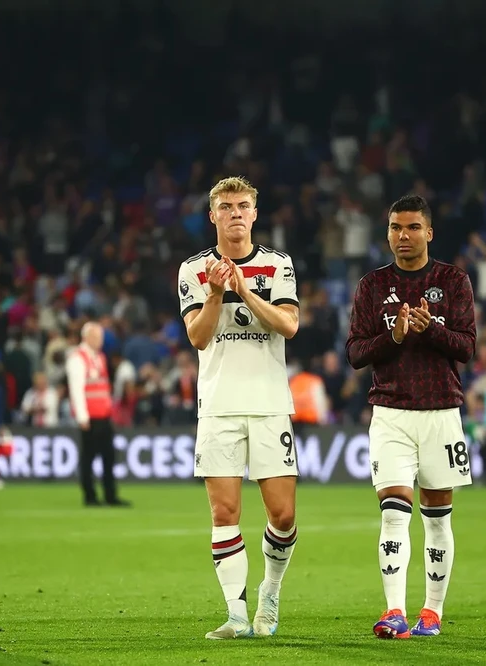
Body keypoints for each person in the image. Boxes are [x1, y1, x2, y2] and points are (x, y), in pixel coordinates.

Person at [345, 194, 477, 639]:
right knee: (394, 514)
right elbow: (356, 353)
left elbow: (467, 347)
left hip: (441, 410)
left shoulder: (453, 280)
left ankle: (431, 613)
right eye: (395, 228)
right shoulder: (371, 286)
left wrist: (431, 329)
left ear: (429, 232)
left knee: (438, 519)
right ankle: (395, 611)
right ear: (387, 233)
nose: (403, 236)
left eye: (412, 227)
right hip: (391, 413)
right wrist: (395, 334)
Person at [177, 176, 300, 640]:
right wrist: (214, 293)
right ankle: (235, 614)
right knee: (224, 512)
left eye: (242, 205)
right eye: (225, 206)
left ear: (254, 213)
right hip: (220, 405)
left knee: (283, 516)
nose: (234, 213)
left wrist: (244, 291)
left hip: (269, 404)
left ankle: (270, 591)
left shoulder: (276, 264)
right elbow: (198, 337)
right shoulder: (192, 269)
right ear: (212, 215)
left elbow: (288, 325)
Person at [65, 322, 128, 506]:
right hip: (90, 417)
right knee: (88, 458)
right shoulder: (77, 358)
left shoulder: (99, 357)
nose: (101, 341)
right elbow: (76, 389)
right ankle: (90, 496)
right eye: (97, 337)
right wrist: (82, 416)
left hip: (104, 415)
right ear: (87, 337)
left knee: (109, 456)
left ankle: (110, 495)